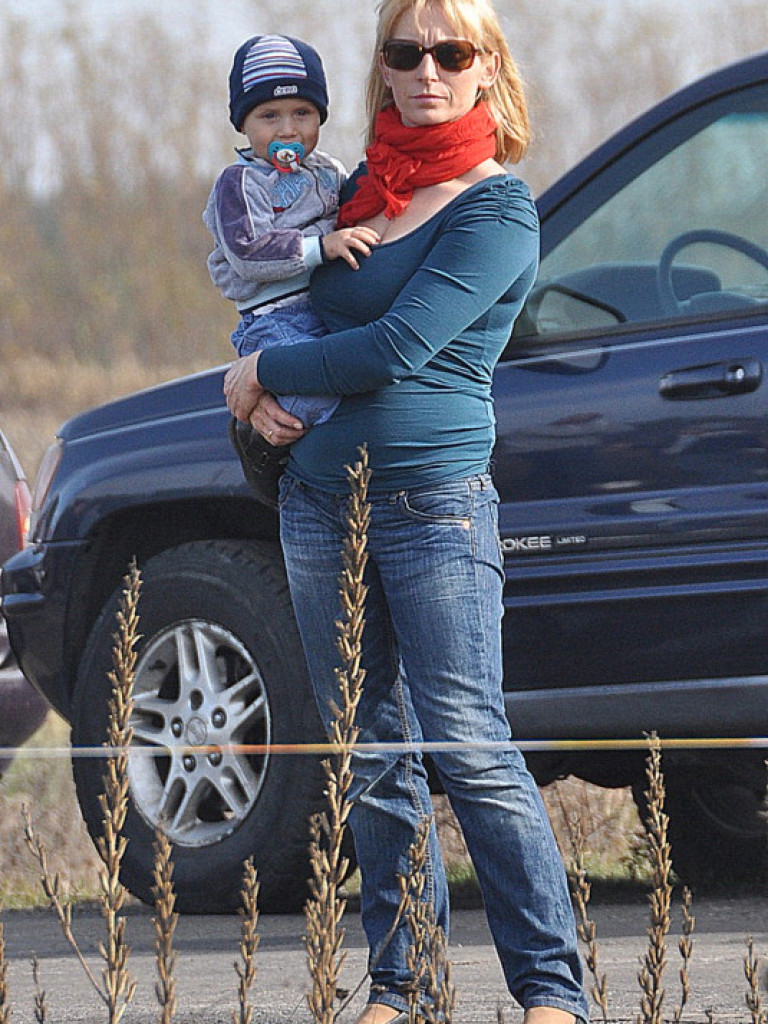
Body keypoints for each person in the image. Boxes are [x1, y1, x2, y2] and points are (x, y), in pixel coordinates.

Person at [224, 2, 589, 1022]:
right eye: (405, 51)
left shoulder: (497, 208)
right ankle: (405, 984)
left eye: (450, 51)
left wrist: (257, 375)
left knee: (469, 742)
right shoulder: (352, 194)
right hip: (316, 508)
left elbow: (395, 349)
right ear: (381, 69)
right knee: (369, 752)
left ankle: (553, 990)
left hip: (434, 506)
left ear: (485, 69)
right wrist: (252, 360)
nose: (427, 69)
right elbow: (269, 289)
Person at [204, 33, 379, 506]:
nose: (287, 130)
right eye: (269, 116)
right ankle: (258, 443)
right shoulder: (239, 182)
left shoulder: (327, 172)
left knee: (353, 379)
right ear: (244, 124)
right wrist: (321, 248)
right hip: (274, 317)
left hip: (322, 307)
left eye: (302, 113)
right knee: (312, 399)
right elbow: (248, 251)